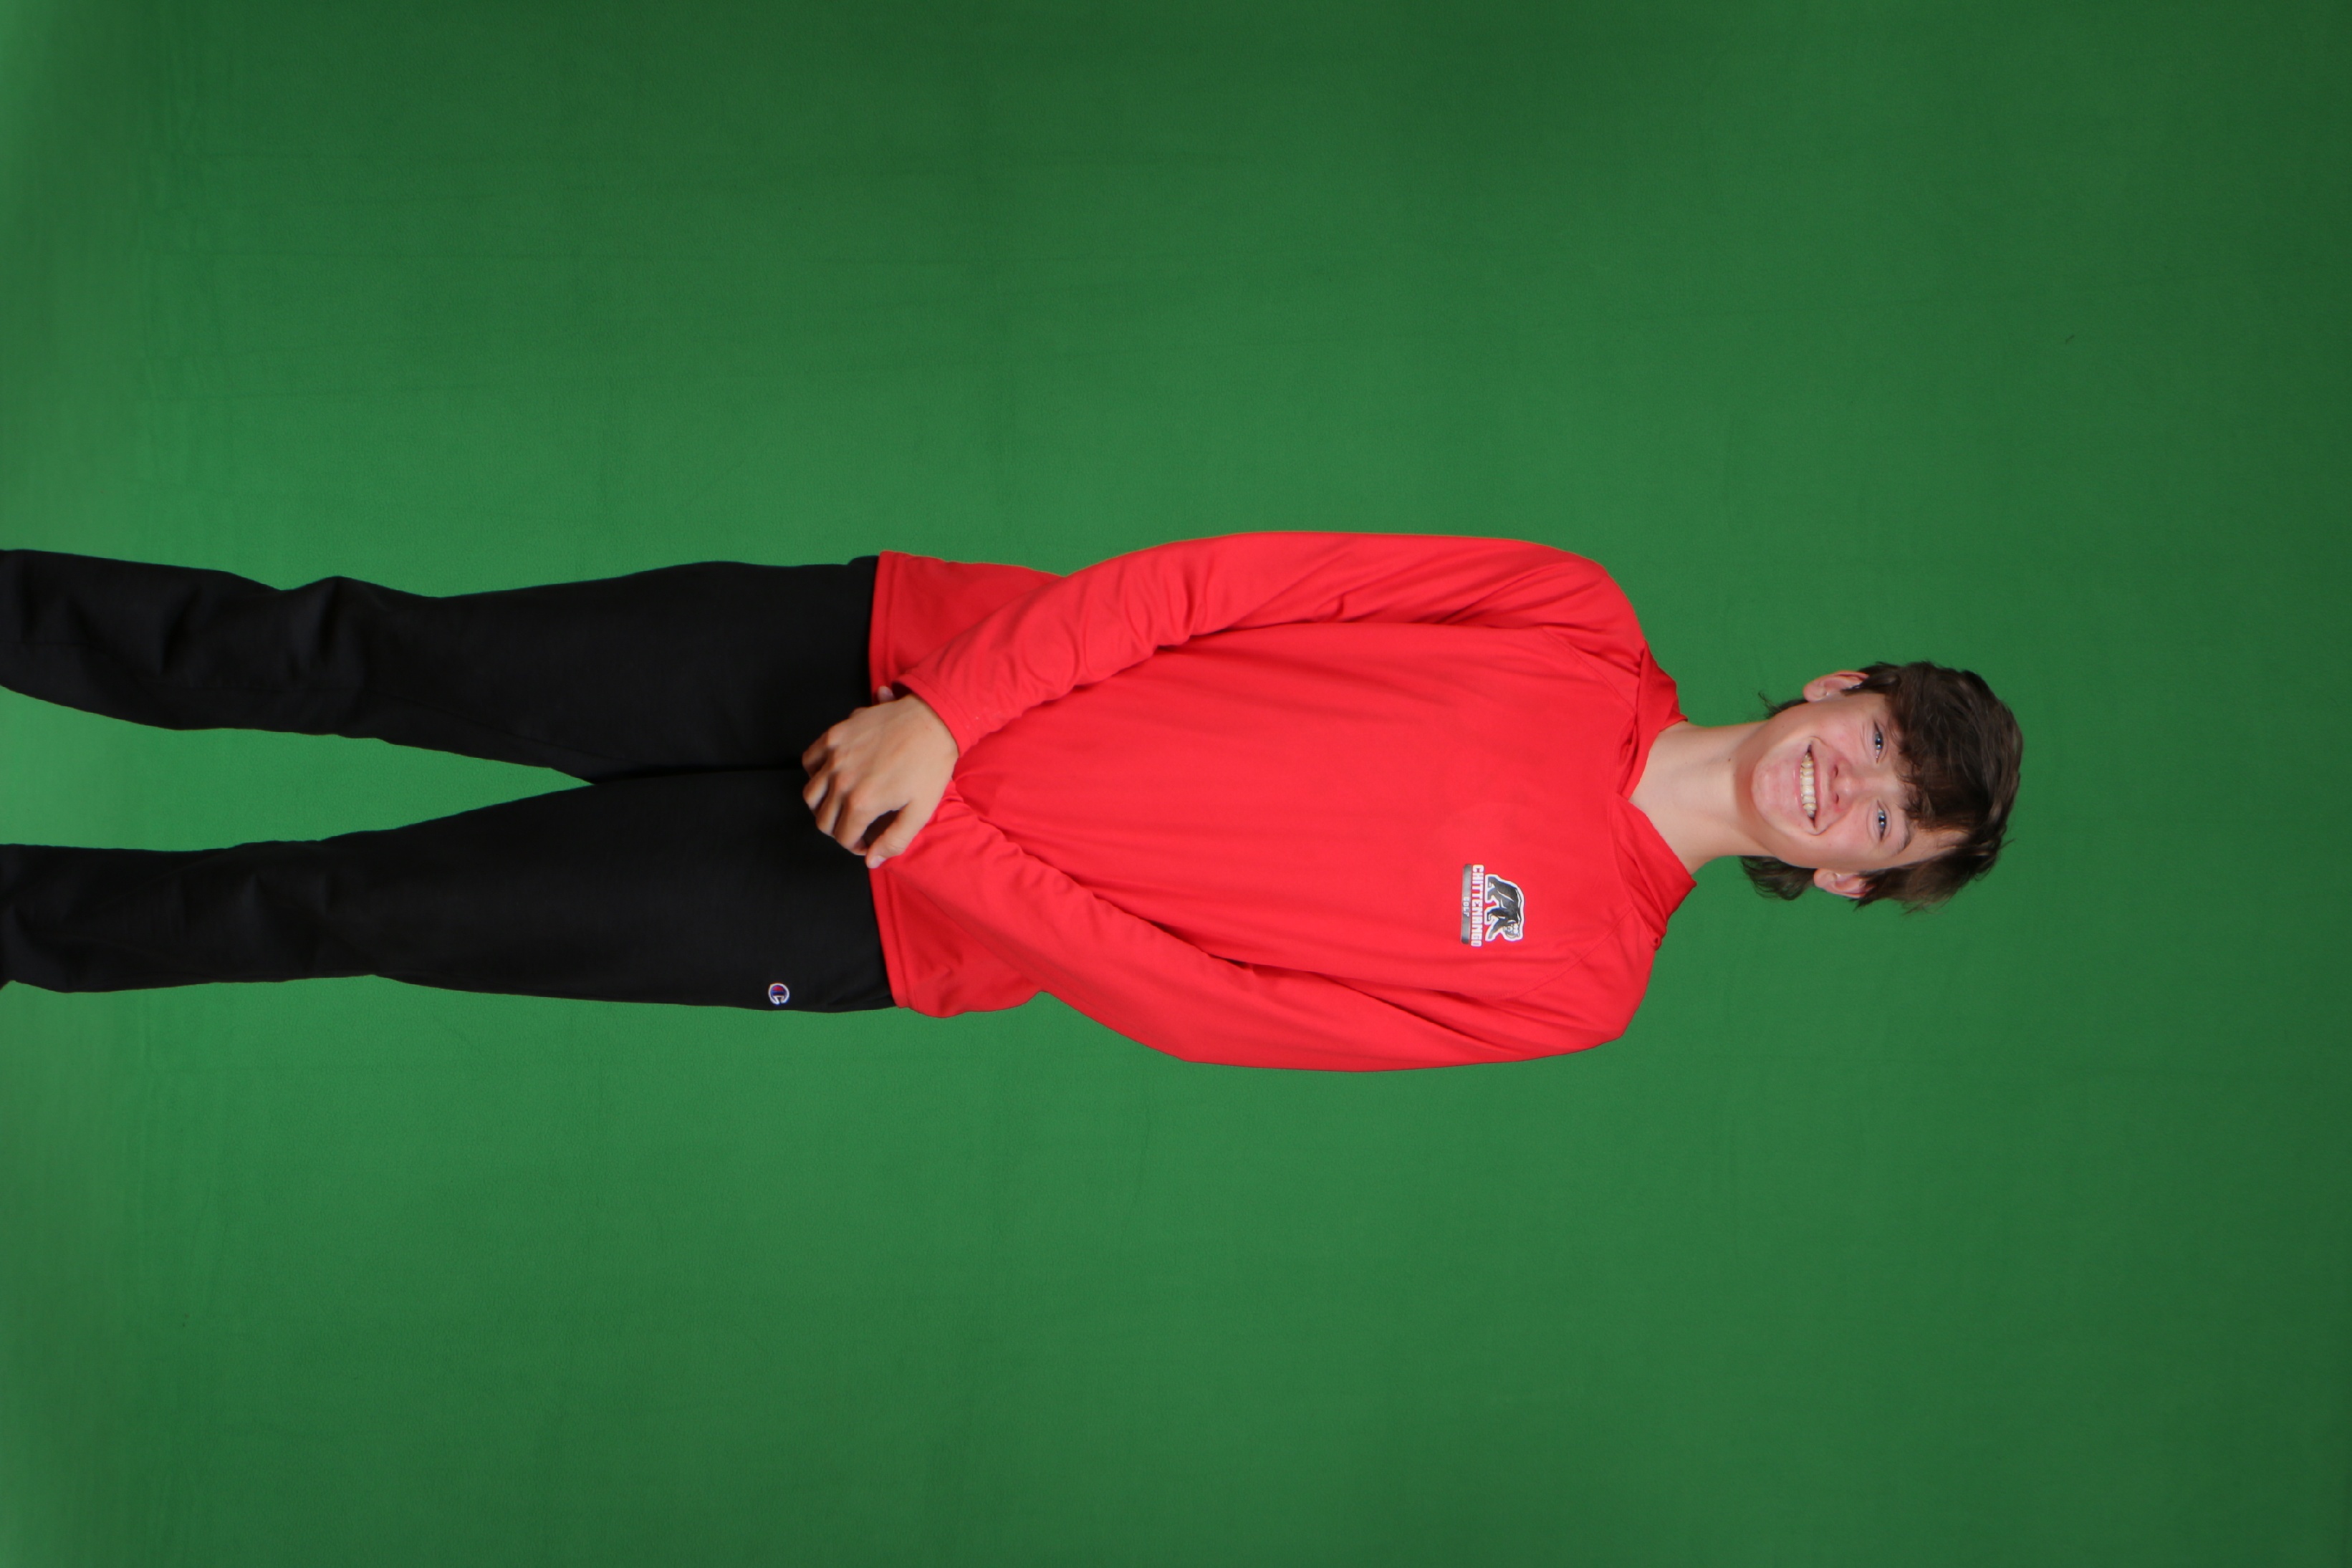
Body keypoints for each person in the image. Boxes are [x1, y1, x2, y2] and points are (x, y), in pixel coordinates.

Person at [0, 534, 2021, 1069]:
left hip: (877, 907)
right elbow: (1221, 586)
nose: (1847, 786)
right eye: (1874, 741)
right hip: (882, 651)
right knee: (360, 652)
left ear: (1853, 882)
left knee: (349, 906)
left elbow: (1217, 1007)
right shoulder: (1570, 618)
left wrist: (940, 832)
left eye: (1881, 822)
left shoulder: (1577, 981)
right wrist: (943, 722)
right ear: (1836, 688)